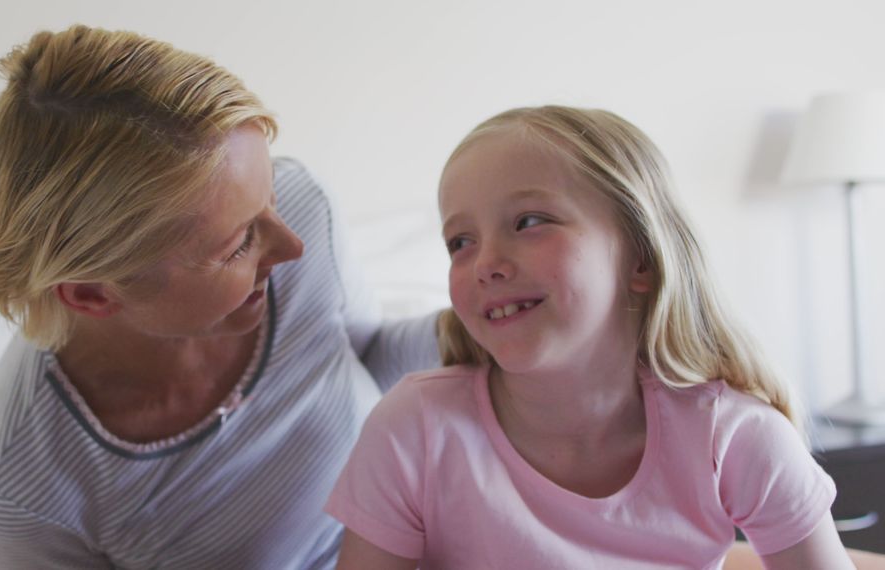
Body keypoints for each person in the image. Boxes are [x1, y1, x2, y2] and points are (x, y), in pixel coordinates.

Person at [0, 25, 439, 569]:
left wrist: (474, 329)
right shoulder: (20, 487)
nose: (291, 245)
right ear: (92, 293)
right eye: (237, 246)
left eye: (271, 197)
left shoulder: (305, 208)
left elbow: (366, 357)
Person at [325, 106, 854, 569]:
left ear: (640, 258)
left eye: (529, 221)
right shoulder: (414, 427)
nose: (484, 263)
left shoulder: (734, 437)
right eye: (460, 241)